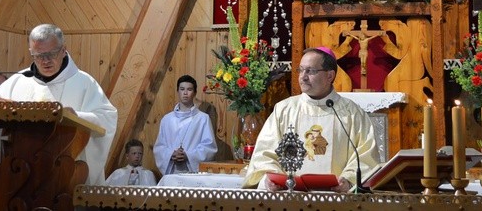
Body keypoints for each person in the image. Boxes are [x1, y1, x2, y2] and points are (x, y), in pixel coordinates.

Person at [0, 24, 118, 184]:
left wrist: (76, 117)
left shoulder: (83, 82)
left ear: (63, 50)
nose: (45, 61)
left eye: (51, 54)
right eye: (39, 55)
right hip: (20, 172)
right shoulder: (19, 80)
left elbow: (107, 118)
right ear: (31, 52)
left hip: (64, 174)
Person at [242, 47, 380, 192]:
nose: (303, 76)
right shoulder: (284, 110)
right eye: (301, 70)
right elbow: (264, 154)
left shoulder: (352, 113)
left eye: (311, 71)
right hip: (290, 200)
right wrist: (269, 179)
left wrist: (349, 181)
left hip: (337, 201)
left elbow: (366, 156)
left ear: (330, 75)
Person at [153, 75, 217, 175]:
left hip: (193, 173)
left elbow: (209, 147)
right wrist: (171, 154)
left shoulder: (202, 118)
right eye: (182, 89)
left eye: (189, 89)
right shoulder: (167, 119)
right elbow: (160, 147)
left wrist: (188, 155)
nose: (185, 93)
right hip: (172, 172)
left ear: (195, 92)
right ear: (178, 91)